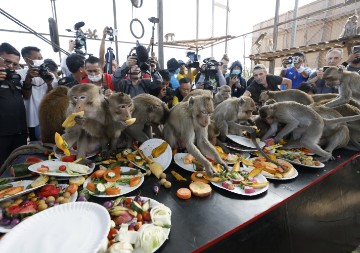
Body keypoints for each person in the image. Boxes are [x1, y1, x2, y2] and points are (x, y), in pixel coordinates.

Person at [16, 46, 57, 141]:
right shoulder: (19, 74)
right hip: (30, 118)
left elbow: (52, 96)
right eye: (37, 58)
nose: (40, 61)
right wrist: (28, 78)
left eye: (41, 58)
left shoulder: (50, 74)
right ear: (27, 60)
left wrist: (49, 83)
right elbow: (26, 96)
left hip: (47, 117)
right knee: (34, 143)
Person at [0, 42, 27, 165]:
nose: (11, 66)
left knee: (18, 168)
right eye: (7, 61)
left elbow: (26, 96)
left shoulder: (16, 79)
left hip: (20, 134)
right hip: (2, 136)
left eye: (15, 64)